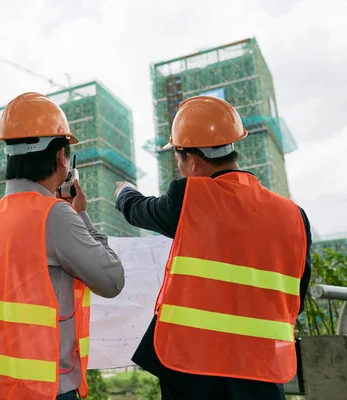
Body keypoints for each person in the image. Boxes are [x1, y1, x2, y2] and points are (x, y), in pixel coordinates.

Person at [114, 96, 311, 400]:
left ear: (191, 159)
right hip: (262, 371)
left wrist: (123, 192)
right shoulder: (294, 216)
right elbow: (298, 294)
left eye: (177, 161)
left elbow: (140, 209)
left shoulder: (189, 199)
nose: (179, 170)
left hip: (194, 370)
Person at [0, 92, 125, 400]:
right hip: (47, 390)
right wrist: (80, 213)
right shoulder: (56, 216)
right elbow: (111, 280)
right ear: (60, 158)